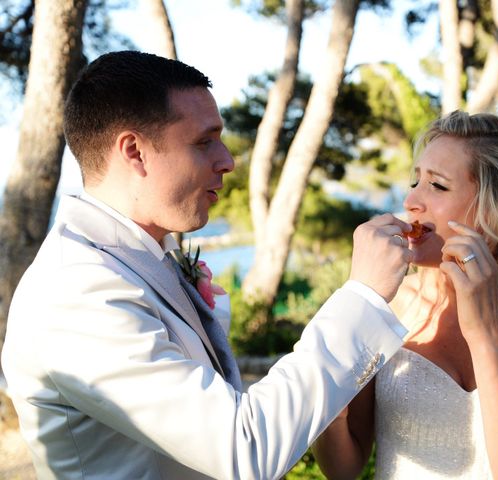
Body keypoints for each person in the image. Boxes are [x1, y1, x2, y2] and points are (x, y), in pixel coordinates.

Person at [0, 51, 416, 480]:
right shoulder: (77, 292)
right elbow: (243, 449)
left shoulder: (136, 259)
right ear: (134, 151)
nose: (228, 161)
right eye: (203, 142)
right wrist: (363, 297)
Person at [312, 110, 498, 479]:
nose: (411, 202)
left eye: (437, 186)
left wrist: (484, 335)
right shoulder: (387, 304)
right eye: (415, 181)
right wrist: (334, 365)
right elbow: (342, 467)